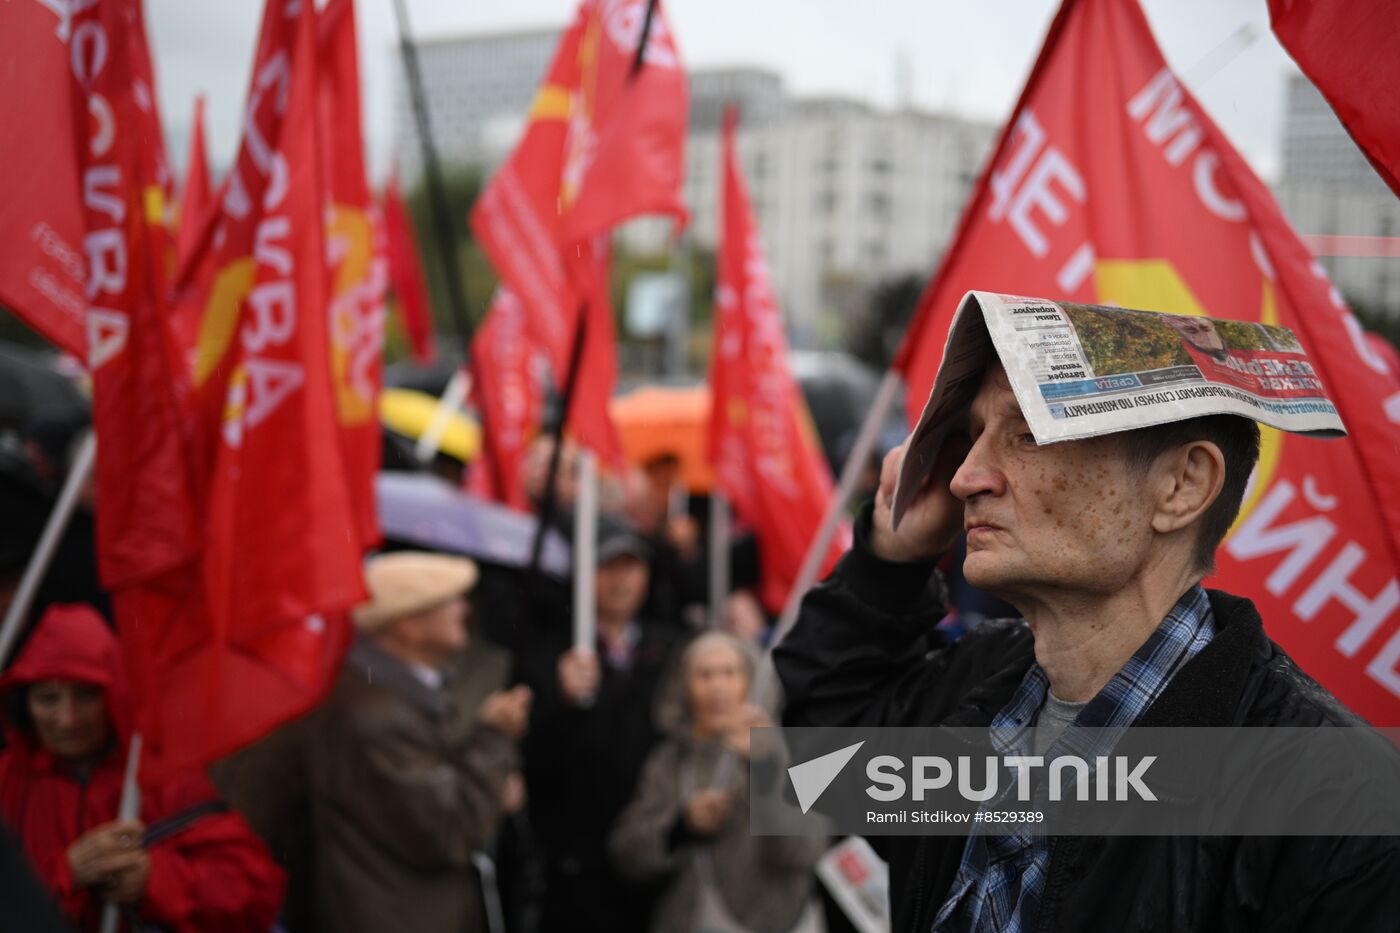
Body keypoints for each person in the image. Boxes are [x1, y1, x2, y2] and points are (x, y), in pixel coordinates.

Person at [774, 359, 1400, 931]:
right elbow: (822, 759)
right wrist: (889, 561)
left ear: (1183, 484)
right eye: (973, 436)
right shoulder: (977, 681)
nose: (964, 477)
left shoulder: (1342, 805)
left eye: (1028, 433)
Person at [0, 603, 285, 932]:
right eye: (48, 699)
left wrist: (154, 880)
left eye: (87, 695)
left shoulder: (163, 777)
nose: (68, 719)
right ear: (23, 704)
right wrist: (67, 873)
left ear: (116, 693)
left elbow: (252, 892)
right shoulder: (8, 783)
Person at [305, 551, 532, 933]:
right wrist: (494, 738)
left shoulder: (399, 694)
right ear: (407, 626)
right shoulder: (377, 717)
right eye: (448, 601)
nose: (464, 609)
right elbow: (447, 829)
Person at [517, 516, 687, 933]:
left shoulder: (672, 650)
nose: (620, 579)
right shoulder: (549, 652)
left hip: (655, 856)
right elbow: (529, 756)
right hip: (575, 866)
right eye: (606, 566)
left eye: (631, 566)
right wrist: (561, 701)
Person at [610, 631, 826, 933]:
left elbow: (803, 850)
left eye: (729, 673)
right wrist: (682, 830)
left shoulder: (793, 751)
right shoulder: (669, 761)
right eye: (704, 675)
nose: (717, 687)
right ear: (683, 687)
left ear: (751, 682)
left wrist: (765, 769)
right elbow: (627, 855)